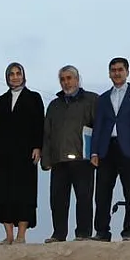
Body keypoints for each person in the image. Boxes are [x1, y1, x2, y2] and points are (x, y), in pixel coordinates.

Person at [0, 62, 46, 245]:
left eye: (18, 73)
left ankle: (21, 235)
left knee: (24, 193)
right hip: (2, 154)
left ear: (23, 75)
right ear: (7, 77)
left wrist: (38, 146)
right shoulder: (0, 100)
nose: (15, 76)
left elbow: (39, 124)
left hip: (25, 154)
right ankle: (9, 234)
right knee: (3, 193)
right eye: (11, 74)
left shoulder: (34, 98)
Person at [90, 57, 130, 241]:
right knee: (102, 193)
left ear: (127, 71)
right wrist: (94, 151)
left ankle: (129, 231)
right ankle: (102, 231)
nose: (117, 73)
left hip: (129, 149)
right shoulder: (103, 98)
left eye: (120, 69)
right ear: (109, 73)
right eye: (113, 70)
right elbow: (98, 126)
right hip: (106, 149)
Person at [41, 66, 98, 243]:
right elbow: (47, 133)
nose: (66, 82)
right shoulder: (54, 105)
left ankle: (83, 233)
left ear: (77, 79)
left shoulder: (91, 100)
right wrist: (46, 159)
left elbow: (99, 128)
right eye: (63, 79)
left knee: (84, 197)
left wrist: (96, 153)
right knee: (57, 200)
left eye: (69, 78)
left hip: (83, 159)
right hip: (59, 160)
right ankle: (58, 234)